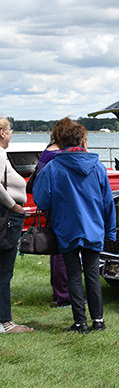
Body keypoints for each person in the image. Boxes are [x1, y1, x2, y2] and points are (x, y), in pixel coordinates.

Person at [33, 119, 116, 333]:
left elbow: (41, 200)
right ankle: (98, 321)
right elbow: (108, 201)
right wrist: (111, 230)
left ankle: (80, 323)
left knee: (73, 275)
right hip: (93, 227)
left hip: (67, 227)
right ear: (82, 140)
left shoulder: (53, 167)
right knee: (92, 274)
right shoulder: (97, 166)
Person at [0, 117, 33, 333]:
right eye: (10, 130)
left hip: (6, 215)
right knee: (4, 270)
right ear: (2, 133)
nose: (12, 134)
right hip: (7, 217)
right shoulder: (0, 153)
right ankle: (6, 322)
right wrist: (14, 206)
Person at [33, 126, 70, 308]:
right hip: (59, 206)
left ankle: (59, 292)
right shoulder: (58, 155)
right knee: (62, 252)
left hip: (51, 205)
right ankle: (63, 295)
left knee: (57, 252)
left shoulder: (47, 152)